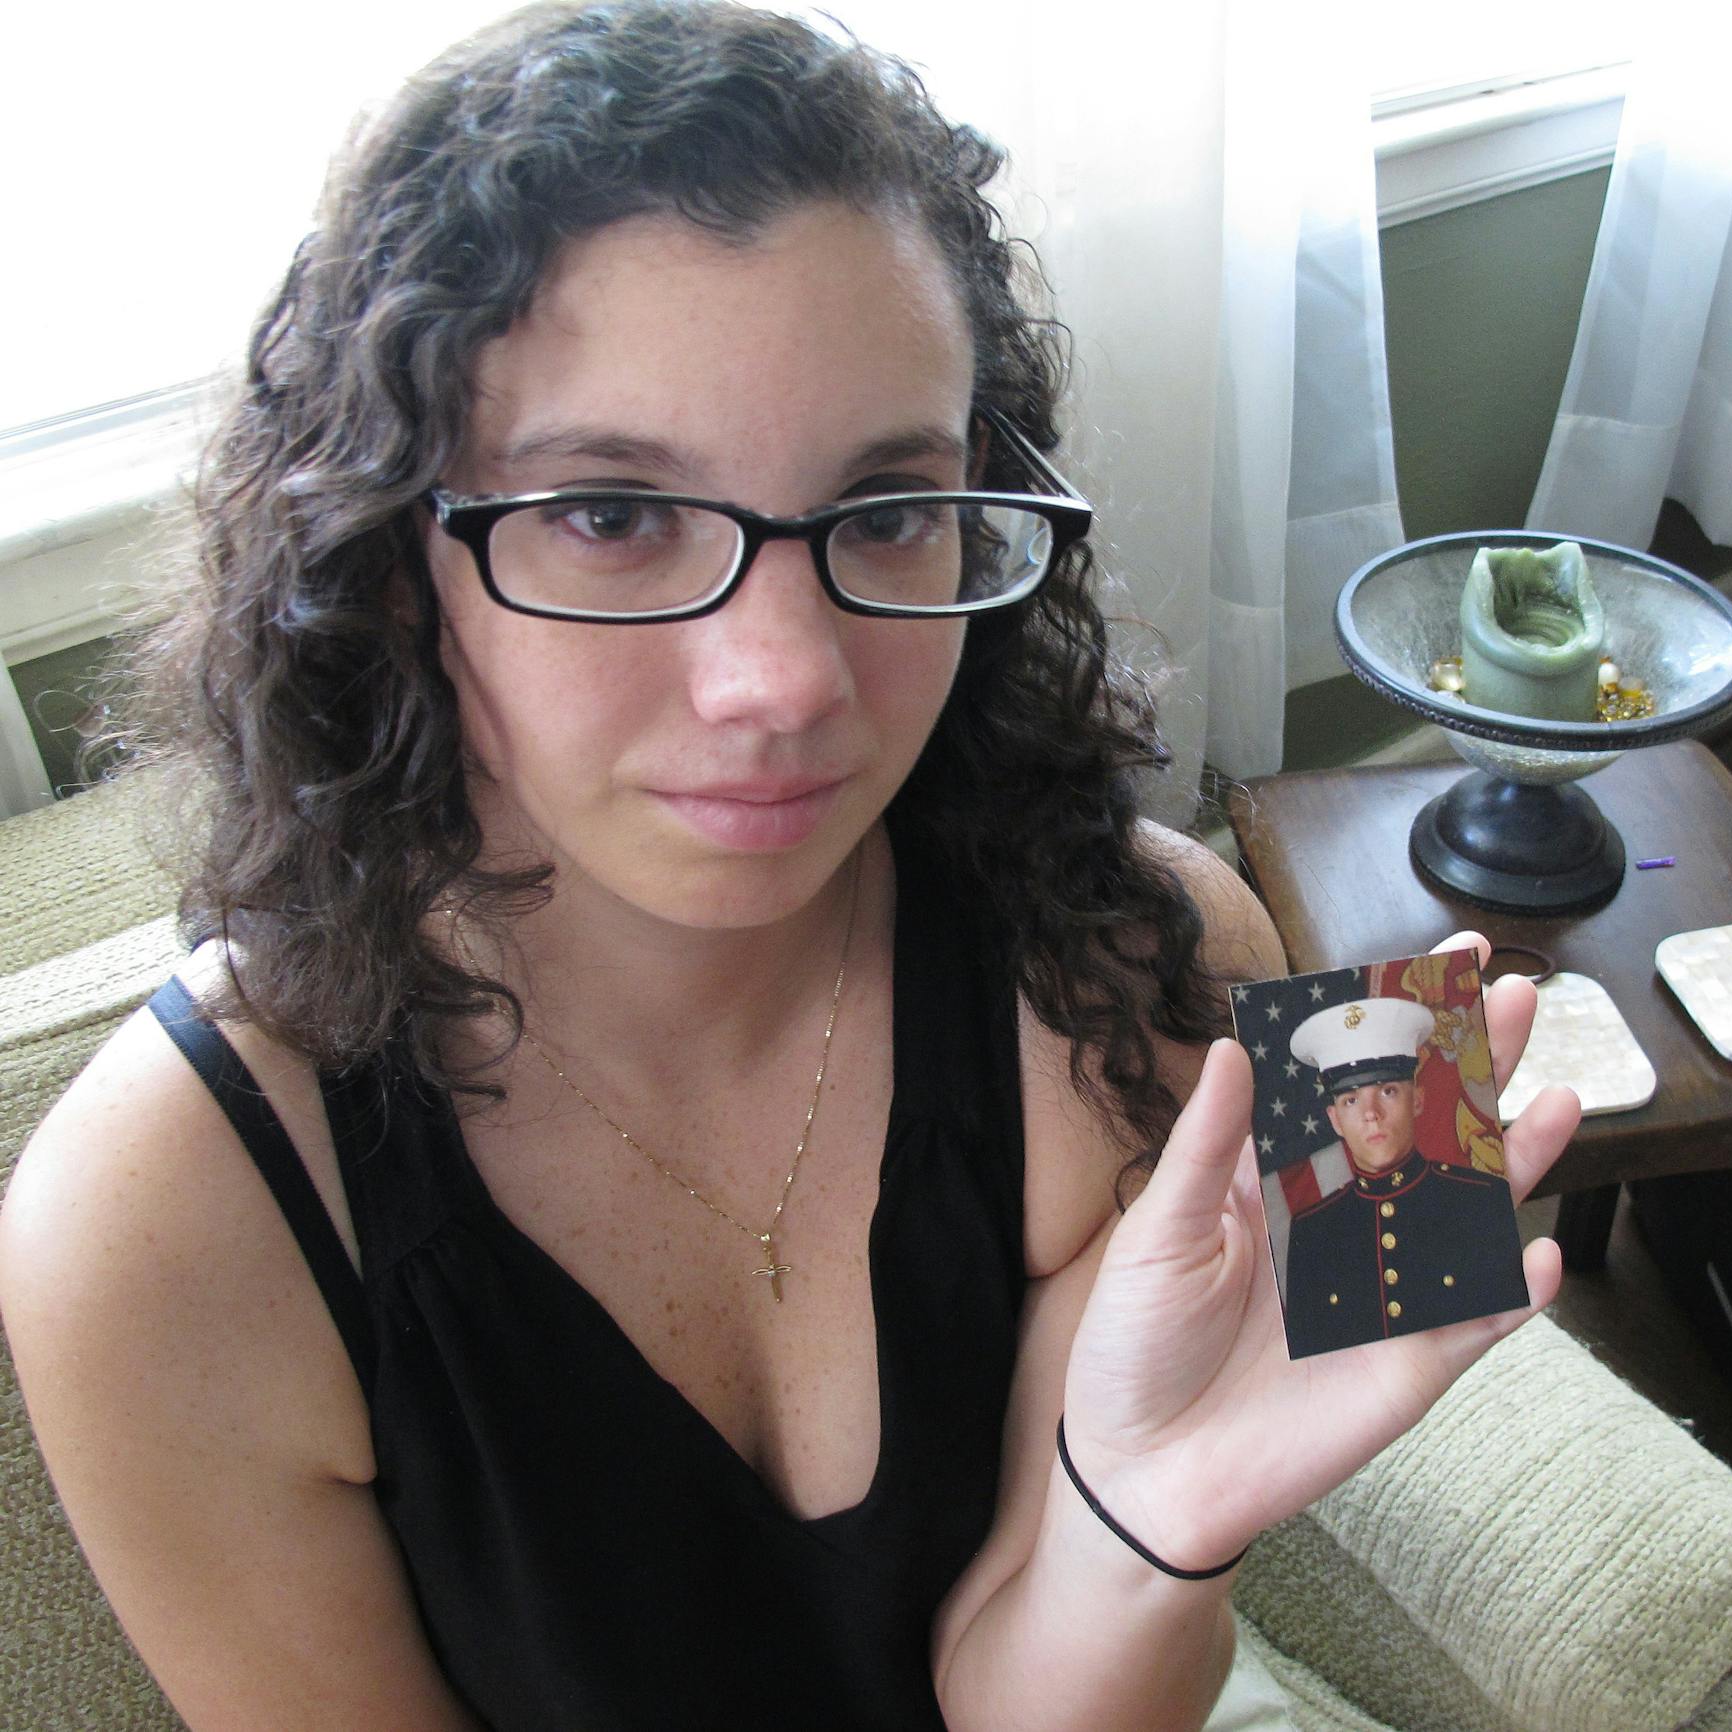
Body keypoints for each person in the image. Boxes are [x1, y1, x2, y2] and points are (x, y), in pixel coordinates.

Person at [0, 4, 1581, 1728]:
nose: (789, 678)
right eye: (611, 513)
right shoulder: (159, 1233)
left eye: (887, 508)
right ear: (392, 561)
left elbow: (1036, 1680)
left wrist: (1150, 1539)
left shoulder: (1132, 953)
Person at [1282, 998, 1527, 1358]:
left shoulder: (1480, 1201)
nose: (1371, 1114)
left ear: (1417, 1101)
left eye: (1387, 1091)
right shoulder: (1312, 1231)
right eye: (1351, 1100)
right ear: (1334, 1120)